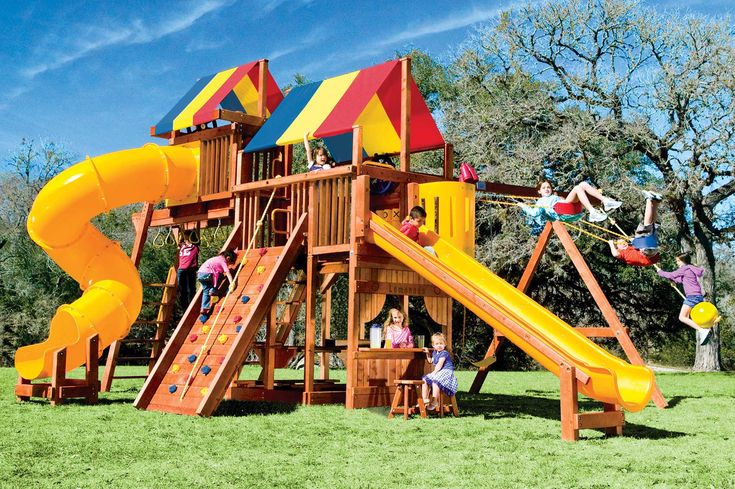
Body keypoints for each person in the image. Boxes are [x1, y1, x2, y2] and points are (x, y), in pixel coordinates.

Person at [656, 253, 720, 345]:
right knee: (690, 317)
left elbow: (672, 275)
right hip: (697, 296)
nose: (677, 263)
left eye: (678, 261)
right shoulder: (689, 269)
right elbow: (681, 280)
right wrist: (674, 282)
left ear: (683, 261)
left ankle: (702, 330)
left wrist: (660, 272)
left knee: (682, 317)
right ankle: (705, 328)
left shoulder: (684, 268)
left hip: (692, 297)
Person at [522, 180, 622, 224]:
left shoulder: (554, 196)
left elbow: (561, 200)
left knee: (582, 184)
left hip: (571, 208)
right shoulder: (540, 201)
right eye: (544, 188)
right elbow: (534, 213)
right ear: (539, 191)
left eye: (548, 187)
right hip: (563, 212)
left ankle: (606, 201)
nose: (547, 189)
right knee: (578, 188)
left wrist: (558, 198)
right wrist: (522, 205)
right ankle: (592, 212)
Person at [608, 190, 662, 267]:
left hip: (651, 253)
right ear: (618, 248)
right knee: (647, 225)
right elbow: (615, 254)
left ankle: (656, 202)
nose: (624, 244)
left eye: (624, 242)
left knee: (651, 225)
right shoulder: (622, 253)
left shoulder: (630, 249)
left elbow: (635, 245)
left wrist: (632, 240)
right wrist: (611, 244)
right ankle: (649, 200)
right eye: (621, 244)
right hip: (647, 254)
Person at [421, 333, 458, 412]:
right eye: (437, 344)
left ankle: (435, 401)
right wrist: (428, 353)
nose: (439, 345)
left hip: (446, 371)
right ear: (433, 345)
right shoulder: (435, 352)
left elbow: (440, 364)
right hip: (439, 371)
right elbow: (430, 361)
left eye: (441, 343)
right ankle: (424, 399)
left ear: (445, 344)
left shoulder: (444, 353)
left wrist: (434, 372)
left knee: (435, 381)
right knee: (424, 379)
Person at [197, 250, 237, 316]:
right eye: (229, 263)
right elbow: (227, 272)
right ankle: (213, 290)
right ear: (228, 258)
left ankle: (204, 308)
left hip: (200, 275)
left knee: (206, 291)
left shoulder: (216, 258)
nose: (228, 265)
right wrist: (232, 282)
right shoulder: (222, 260)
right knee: (220, 275)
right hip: (208, 274)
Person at [177, 231, 199, 310]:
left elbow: (180, 240)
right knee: (186, 290)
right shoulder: (193, 246)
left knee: (188, 290)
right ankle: (186, 308)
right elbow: (179, 240)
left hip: (187, 269)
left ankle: (190, 307)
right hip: (186, 269)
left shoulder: (192, 246)